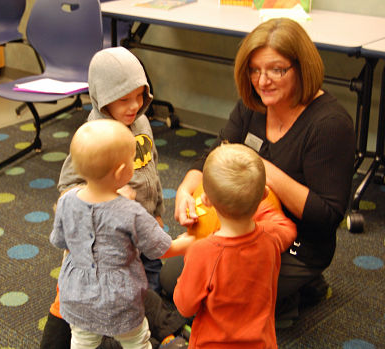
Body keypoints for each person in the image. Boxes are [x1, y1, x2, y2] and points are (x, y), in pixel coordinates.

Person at [162, 17, 356, 325]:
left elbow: (327, 215)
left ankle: (299, 291)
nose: (262, 80)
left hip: (297, 243)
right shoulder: (253, 104)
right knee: (173, 278)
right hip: (239, 225)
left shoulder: (330, 125)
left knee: (220, 295)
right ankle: (277, 297)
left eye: (277, 69)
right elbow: (216, 153)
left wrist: (263, 169)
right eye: (254, 70)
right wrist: (186, 190)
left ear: (302, 67)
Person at [41, 47, 188, 349]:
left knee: (146, 287)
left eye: (140, 95)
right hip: (109, 238)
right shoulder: (93, 136)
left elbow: (150, 170)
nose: (135, 105)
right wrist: (106, 198)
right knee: (109, 296)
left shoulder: (141, 122)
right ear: (103, 97)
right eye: (124, 99)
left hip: (143, 226)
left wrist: (156, 211)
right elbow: (68, 186)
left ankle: (161, 331)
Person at [50, 119, 194, 349]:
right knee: (137, 341)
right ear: (121, 171)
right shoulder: (131, 212)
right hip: (119, 299)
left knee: (82, 342)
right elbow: (162, 249)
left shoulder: (66, 201)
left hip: (76, 294)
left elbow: (60, 240)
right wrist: (191, 242)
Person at [173, 143, 297, 348]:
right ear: (265, 194)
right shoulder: (271, 237)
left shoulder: (201, 252)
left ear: (206, 200)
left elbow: (184, 306)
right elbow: (288, 228)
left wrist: (188, 258)